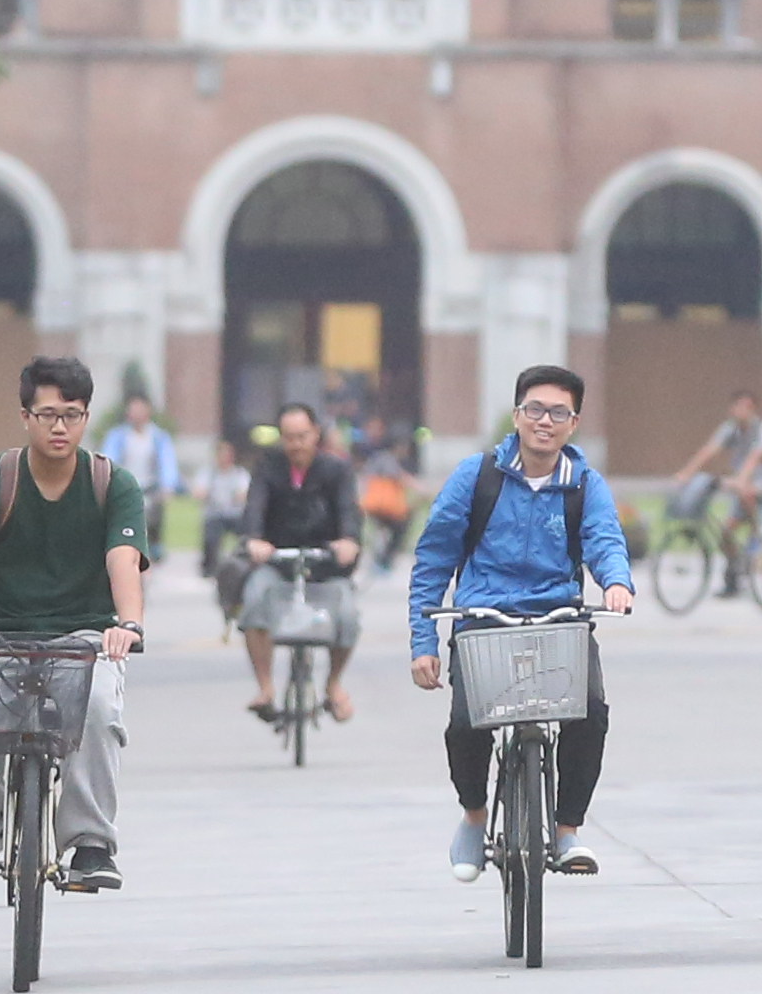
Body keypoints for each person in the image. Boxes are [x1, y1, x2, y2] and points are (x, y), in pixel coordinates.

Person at [407, 364, 637, 882]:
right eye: (534, 409)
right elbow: (433, 559)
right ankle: (474, 816)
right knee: (466, 724)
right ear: (516, 416)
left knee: (590, 714)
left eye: (558, 412)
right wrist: (423, 643)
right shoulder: (477, 477)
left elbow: (604, 539)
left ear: (573, 423)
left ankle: (567, 830)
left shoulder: (584, 484)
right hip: (484, 617)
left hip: (558, 618)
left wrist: (616, 583)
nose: (544, 421)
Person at [0, 357, 147, 893]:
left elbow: (123, 559)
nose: (59, 427)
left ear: (86, 417)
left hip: (85, 637)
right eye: (47, 414)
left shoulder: (111, 484)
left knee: (98, 712)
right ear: (25, 416)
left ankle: (91, 843)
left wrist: (129, 625)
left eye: (72, 415)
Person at [240, 402, 364, 721]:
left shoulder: (337, 470)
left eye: (302, 436)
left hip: (325, 566)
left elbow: (349, 511)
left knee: (348, 615)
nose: (296, 444)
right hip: (278, 563)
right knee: (253, 599)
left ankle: (333, 684)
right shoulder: (267, 468)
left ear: (316, 434)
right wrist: (254, 540)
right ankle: (265, 687)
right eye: (289, 437)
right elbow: (254, 508)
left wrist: (348, 541)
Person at [672, 391, 762, 592]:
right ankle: (733, 575)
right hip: (742, 482)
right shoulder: (730, 429)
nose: (741, 411)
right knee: (725, 533)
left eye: (747, 407)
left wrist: (741, 479)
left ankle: (756, 537)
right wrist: (687, 473)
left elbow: (755, 457)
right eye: (738, 407)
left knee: (746, 493)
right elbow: (710, 450)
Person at [99, 392, 185, 558]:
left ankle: (154, 547)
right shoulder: (117, 436)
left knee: (153, 518)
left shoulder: (158, 437)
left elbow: (167, 462)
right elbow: (109, 458)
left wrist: (168, 485)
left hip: (150, 487)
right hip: (125, 486)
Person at [199, 432, 255, 624]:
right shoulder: (209, 474)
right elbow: (199, 491)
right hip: (215, 514)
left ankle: (244, 557)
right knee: (211, 533)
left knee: (245, 534)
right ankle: (209, 565)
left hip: (233, 514)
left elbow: (243, 493)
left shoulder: (239, 474)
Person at [357, 420, 417, 573]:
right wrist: (421, 488)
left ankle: (382, 558)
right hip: (383, 507)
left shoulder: (380, 457)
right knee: (401, 526)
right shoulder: (387, 459)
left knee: (391, 528)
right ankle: (384, 560)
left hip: (375, 506)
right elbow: (400, 478)